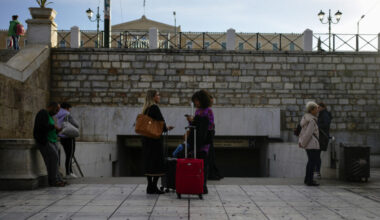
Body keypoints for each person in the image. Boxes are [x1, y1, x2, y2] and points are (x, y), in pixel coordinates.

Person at [141, 90, 174, 194]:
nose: (159, 97)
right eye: (158, 95)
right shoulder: (154, 107)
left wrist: (165, 128)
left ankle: (149, 186)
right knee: (157, 162)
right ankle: (154, 187)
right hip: (154, 140)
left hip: (146, 139)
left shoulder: (145, 109)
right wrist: (166, 128)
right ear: (153, 97)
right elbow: (161, 121)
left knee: (149, 162)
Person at [186, 90, 214, 194]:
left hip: (204, 142)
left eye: (197, 101)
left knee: (203, 164)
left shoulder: (208, 111)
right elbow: (195, 125)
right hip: (196, 141)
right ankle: (196, 184)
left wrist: (197, 121)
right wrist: (191, 121)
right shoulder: (198, 111)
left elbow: (210, 126)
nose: (196, 103)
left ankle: (203, 185)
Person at [33, 102, 66, 187]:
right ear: (51, 107)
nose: (57, 112)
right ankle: (53, 180)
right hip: (45, 141)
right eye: (56, 110)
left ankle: (58, 179)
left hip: (52, 140)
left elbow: (50, 128)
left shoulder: (50, 116)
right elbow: (43, 126)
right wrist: (54, 127)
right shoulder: (43, 113)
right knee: (53, 157)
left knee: (55, 160)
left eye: (58, 111)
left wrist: (57, 130)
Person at [201, 90, 223, 181]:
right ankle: (211, 173)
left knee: (210, 155)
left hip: (208, 134)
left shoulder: (206, 110)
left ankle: (212, 172)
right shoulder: (207, 110)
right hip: (207, 134)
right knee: (209, 155)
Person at [298, 101, 320, 186]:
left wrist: (302, 143)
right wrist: (303, 143)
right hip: (312, 144)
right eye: (316, 109)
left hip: (308, 144)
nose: (317, 110)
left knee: (310, 162)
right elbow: (308, 133)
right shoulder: (311, 120)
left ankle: (307, 179)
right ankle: (309, 180)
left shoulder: (305, 118)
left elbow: (303, 132)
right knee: (312, 162)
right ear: (312, 110)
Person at [57, 102, 79, 179]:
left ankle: (69, 172)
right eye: (70, 108)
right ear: (67, 107)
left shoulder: (58, 114)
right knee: (70, 155)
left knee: (68, 155)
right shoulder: (67, 114)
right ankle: (69, 172)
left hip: (62, 137)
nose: (70, 110)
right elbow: (76, 124)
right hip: (69, 137)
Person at [315, 102, 332, 179]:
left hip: (322, 138)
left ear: (322, 107)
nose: (317, 109)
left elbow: (326, 124)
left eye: (318, 107)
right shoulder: (323, 114)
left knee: (317, 155)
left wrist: (316, 126)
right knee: (317, 155)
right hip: (321, 138)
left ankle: (317, 172)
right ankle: (317, 171)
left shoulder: (324, 114)